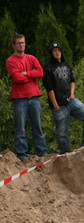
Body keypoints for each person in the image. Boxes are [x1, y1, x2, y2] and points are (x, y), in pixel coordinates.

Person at [43, 42, 84, 154]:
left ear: (61, 51)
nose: (57, 52)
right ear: (51, 53)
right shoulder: (48, 67)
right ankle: (66, 154)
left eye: (58, 50)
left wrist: (72, 94)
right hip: (58, 105)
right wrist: (55, 105)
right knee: (62, 133)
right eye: (54, 51)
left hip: (70, 100)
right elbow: (49, 89)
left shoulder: (66, 64)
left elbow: (72, 81)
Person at [6, 33, 47, 161]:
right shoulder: (11, 60)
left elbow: (40, 73)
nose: (21, 45)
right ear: (14, 45)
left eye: (23, 42)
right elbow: (16, 78)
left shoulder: (31, 58)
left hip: (34, 97)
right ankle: (22, 153)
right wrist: (31, 76)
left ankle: (42, 151)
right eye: (19, 43)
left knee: (38, 125)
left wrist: (27, 74)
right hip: (19, 98)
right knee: (20, 127)